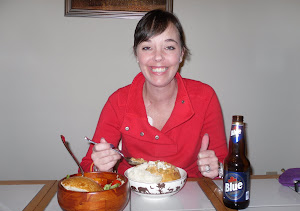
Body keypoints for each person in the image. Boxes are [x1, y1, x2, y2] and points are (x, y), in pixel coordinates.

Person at [80, 9, 228, 179]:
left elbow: (225, 167)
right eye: (147, 47)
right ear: (137, 54)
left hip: (191, 193)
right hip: (132, 196)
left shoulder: (205, 97)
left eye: (169, 47)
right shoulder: (118, 101)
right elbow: (86, 169)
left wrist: (217, 169)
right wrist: (100, 167)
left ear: (181, 54)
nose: (158, 57)